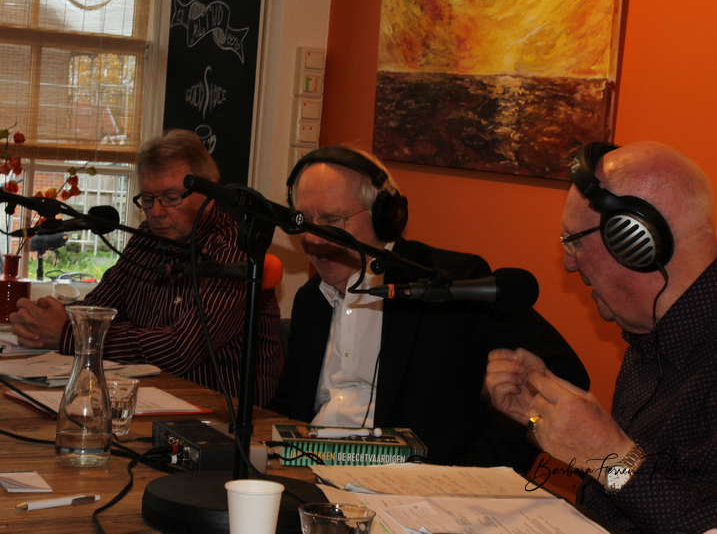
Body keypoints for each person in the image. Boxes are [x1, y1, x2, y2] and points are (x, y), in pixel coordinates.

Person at [267, 146, 589, 472]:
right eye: (302, 221)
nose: (313, 238)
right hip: (309, 473)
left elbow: (564, 371)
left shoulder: (452, 285)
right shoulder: (311, 299)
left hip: (411, 489)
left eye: (331, 220)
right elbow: (289, 406)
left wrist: (479, 472)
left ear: (385, 217)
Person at [485, 141, 717, 533]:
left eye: (573, 240)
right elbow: (634, 489)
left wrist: (607, 458)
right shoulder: (652, 335)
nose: (568, 263)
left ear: (636, 239)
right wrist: (547, 418)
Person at [10, 130, 282, 406]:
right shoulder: (146, 238)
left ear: (210, 194)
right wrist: (47, 321)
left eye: (172, 197)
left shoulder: (236, 252)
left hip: (222, 415)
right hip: (150, 401)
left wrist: (73, 334)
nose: (157, 212)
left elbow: (180, 348)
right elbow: (100, 307)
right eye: (148, 199)